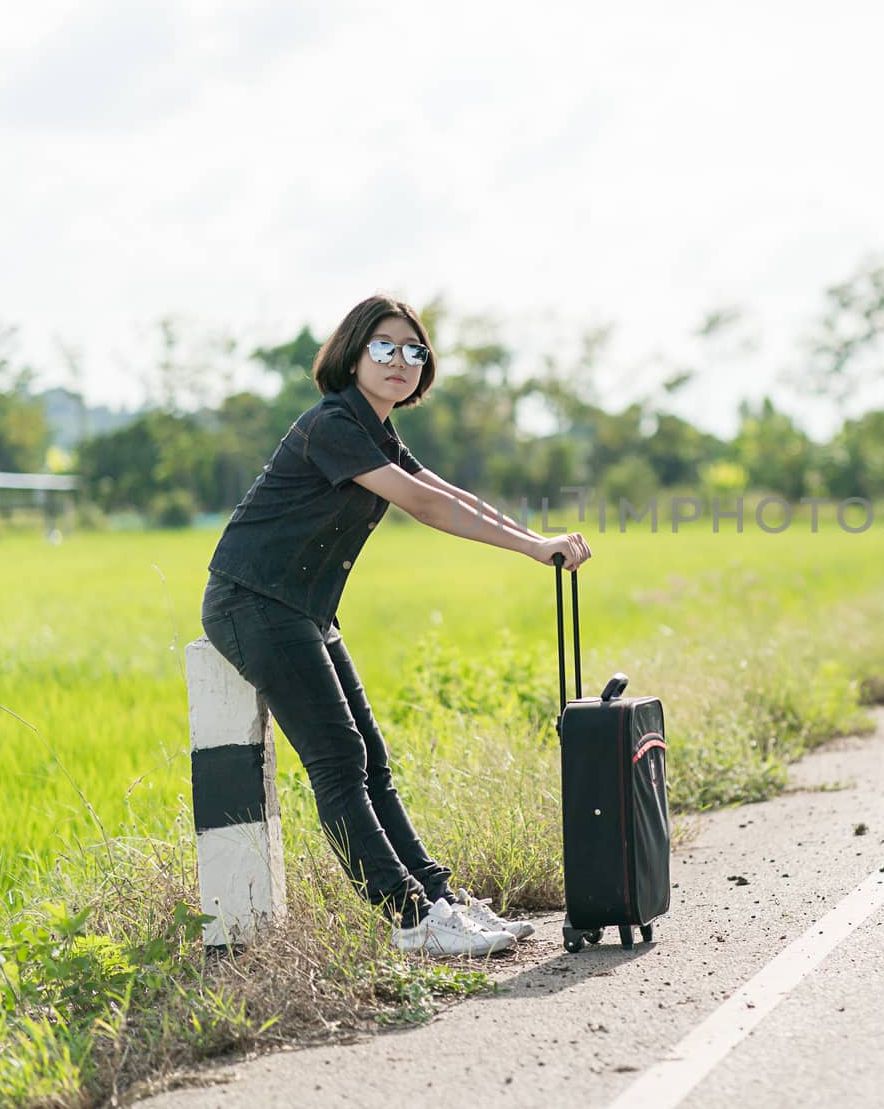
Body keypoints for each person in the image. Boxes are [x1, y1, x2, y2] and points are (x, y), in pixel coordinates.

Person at [199, 294, 592, 958]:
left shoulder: (374, 431)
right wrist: (530, 546)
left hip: (302, 608)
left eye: (415, 351)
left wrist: (535, 540)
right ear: (352, 354)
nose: (401, 361)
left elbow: (450, 494)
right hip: (253, 602)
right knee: (339, 761)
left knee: (372, 761)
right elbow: (423, 503)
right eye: (384, 347)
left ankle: (436, 898)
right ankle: (410, 916)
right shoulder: (333, 425)